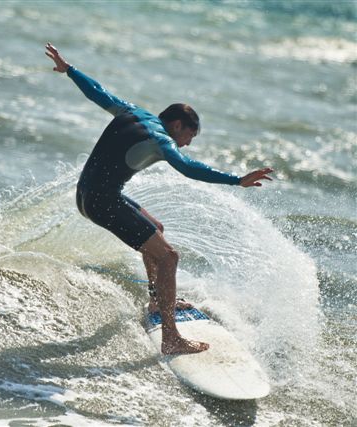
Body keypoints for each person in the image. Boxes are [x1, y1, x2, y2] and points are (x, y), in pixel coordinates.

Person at [45, 43, 273, 355]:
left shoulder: (133, 111)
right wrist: (236, 179)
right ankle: (171, 337)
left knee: (157, 229)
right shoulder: (162, 139)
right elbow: (188, 167)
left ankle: (156, 300)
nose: (187, 143)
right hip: (102, 202)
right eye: (189, 136)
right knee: (169, 257)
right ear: (177, 125)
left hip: (88, 196)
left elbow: (99, 93)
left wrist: (69, 70)